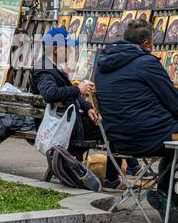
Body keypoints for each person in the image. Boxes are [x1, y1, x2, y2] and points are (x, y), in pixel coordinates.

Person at [95, 19, 178, 223]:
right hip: (149, 138)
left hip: (118, 143)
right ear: (146, 44)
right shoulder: (147, 62)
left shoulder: (102, 64)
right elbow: (174, 101)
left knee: (176, 145)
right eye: (152, 44)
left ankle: (165, 198)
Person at [32, 27, 116, 187]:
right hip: (62, 125)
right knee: (112, 126)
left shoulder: (51, 66)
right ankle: (113, 178)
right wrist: (79, 88)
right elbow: (50, 93)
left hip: (67, 120)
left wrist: (88, 107)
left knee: (108, 122)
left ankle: (115, 175)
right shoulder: (44, 67)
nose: (71, 50)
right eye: (68, 46)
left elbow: (72, 96)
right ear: (56, 49)